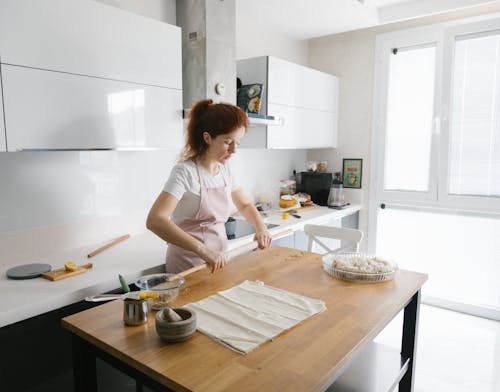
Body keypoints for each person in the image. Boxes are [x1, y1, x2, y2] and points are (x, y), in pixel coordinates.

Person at [146, 99, 272, 274]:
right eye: (228, 142)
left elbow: (244, 205)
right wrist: (204, 251)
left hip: (220, 259)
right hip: (187, 263)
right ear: (207, 138)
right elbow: (155, 220)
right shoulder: (185, 172)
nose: (234, 150)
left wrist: (261, 228)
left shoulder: (225, 171)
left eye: (238, 142)